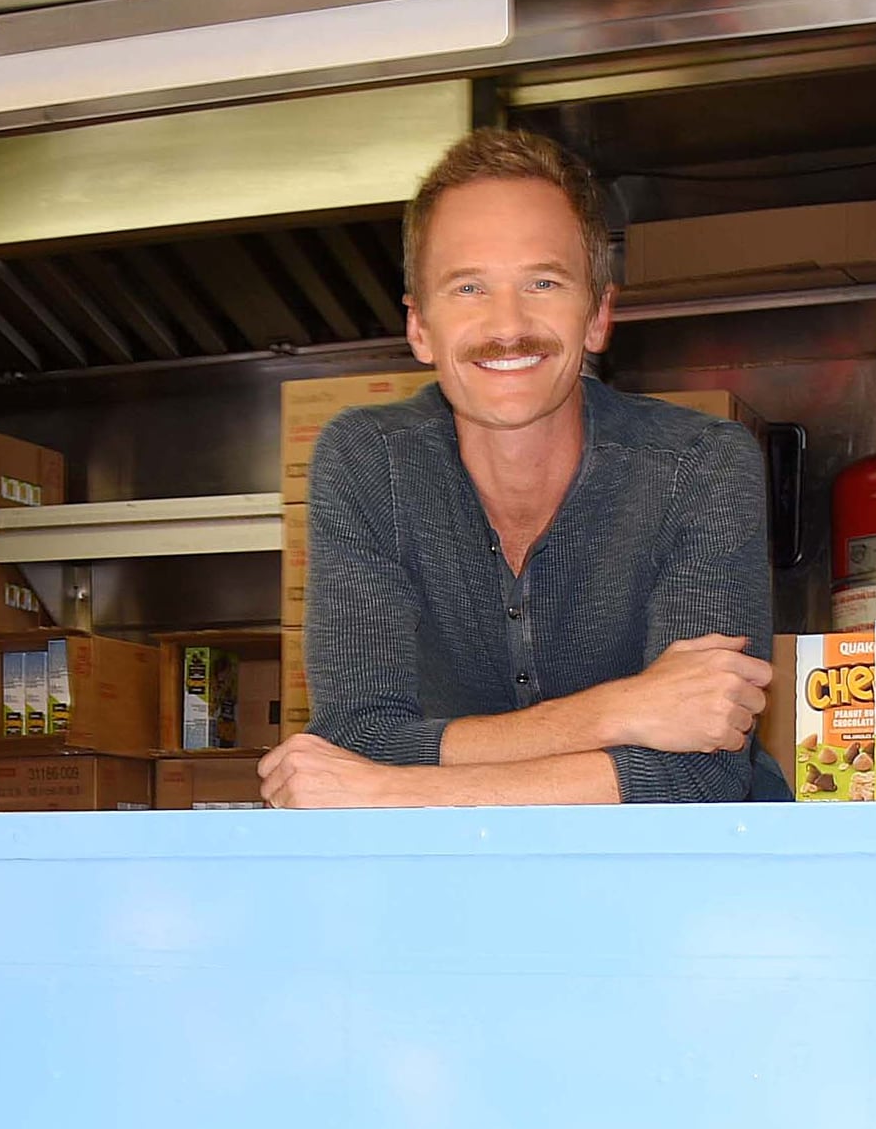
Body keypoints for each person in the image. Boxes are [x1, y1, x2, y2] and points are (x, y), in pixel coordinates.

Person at [259, 128, 782, 809]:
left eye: (543, 281)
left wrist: (394, 788)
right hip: (459, 892)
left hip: (678, 890)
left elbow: (700, 777)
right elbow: (357, 736)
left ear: (598, 315)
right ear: (420, 328)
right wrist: (617, 711)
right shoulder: (368, 463)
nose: (508, 324)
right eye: (468, 286)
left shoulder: (701, 466)